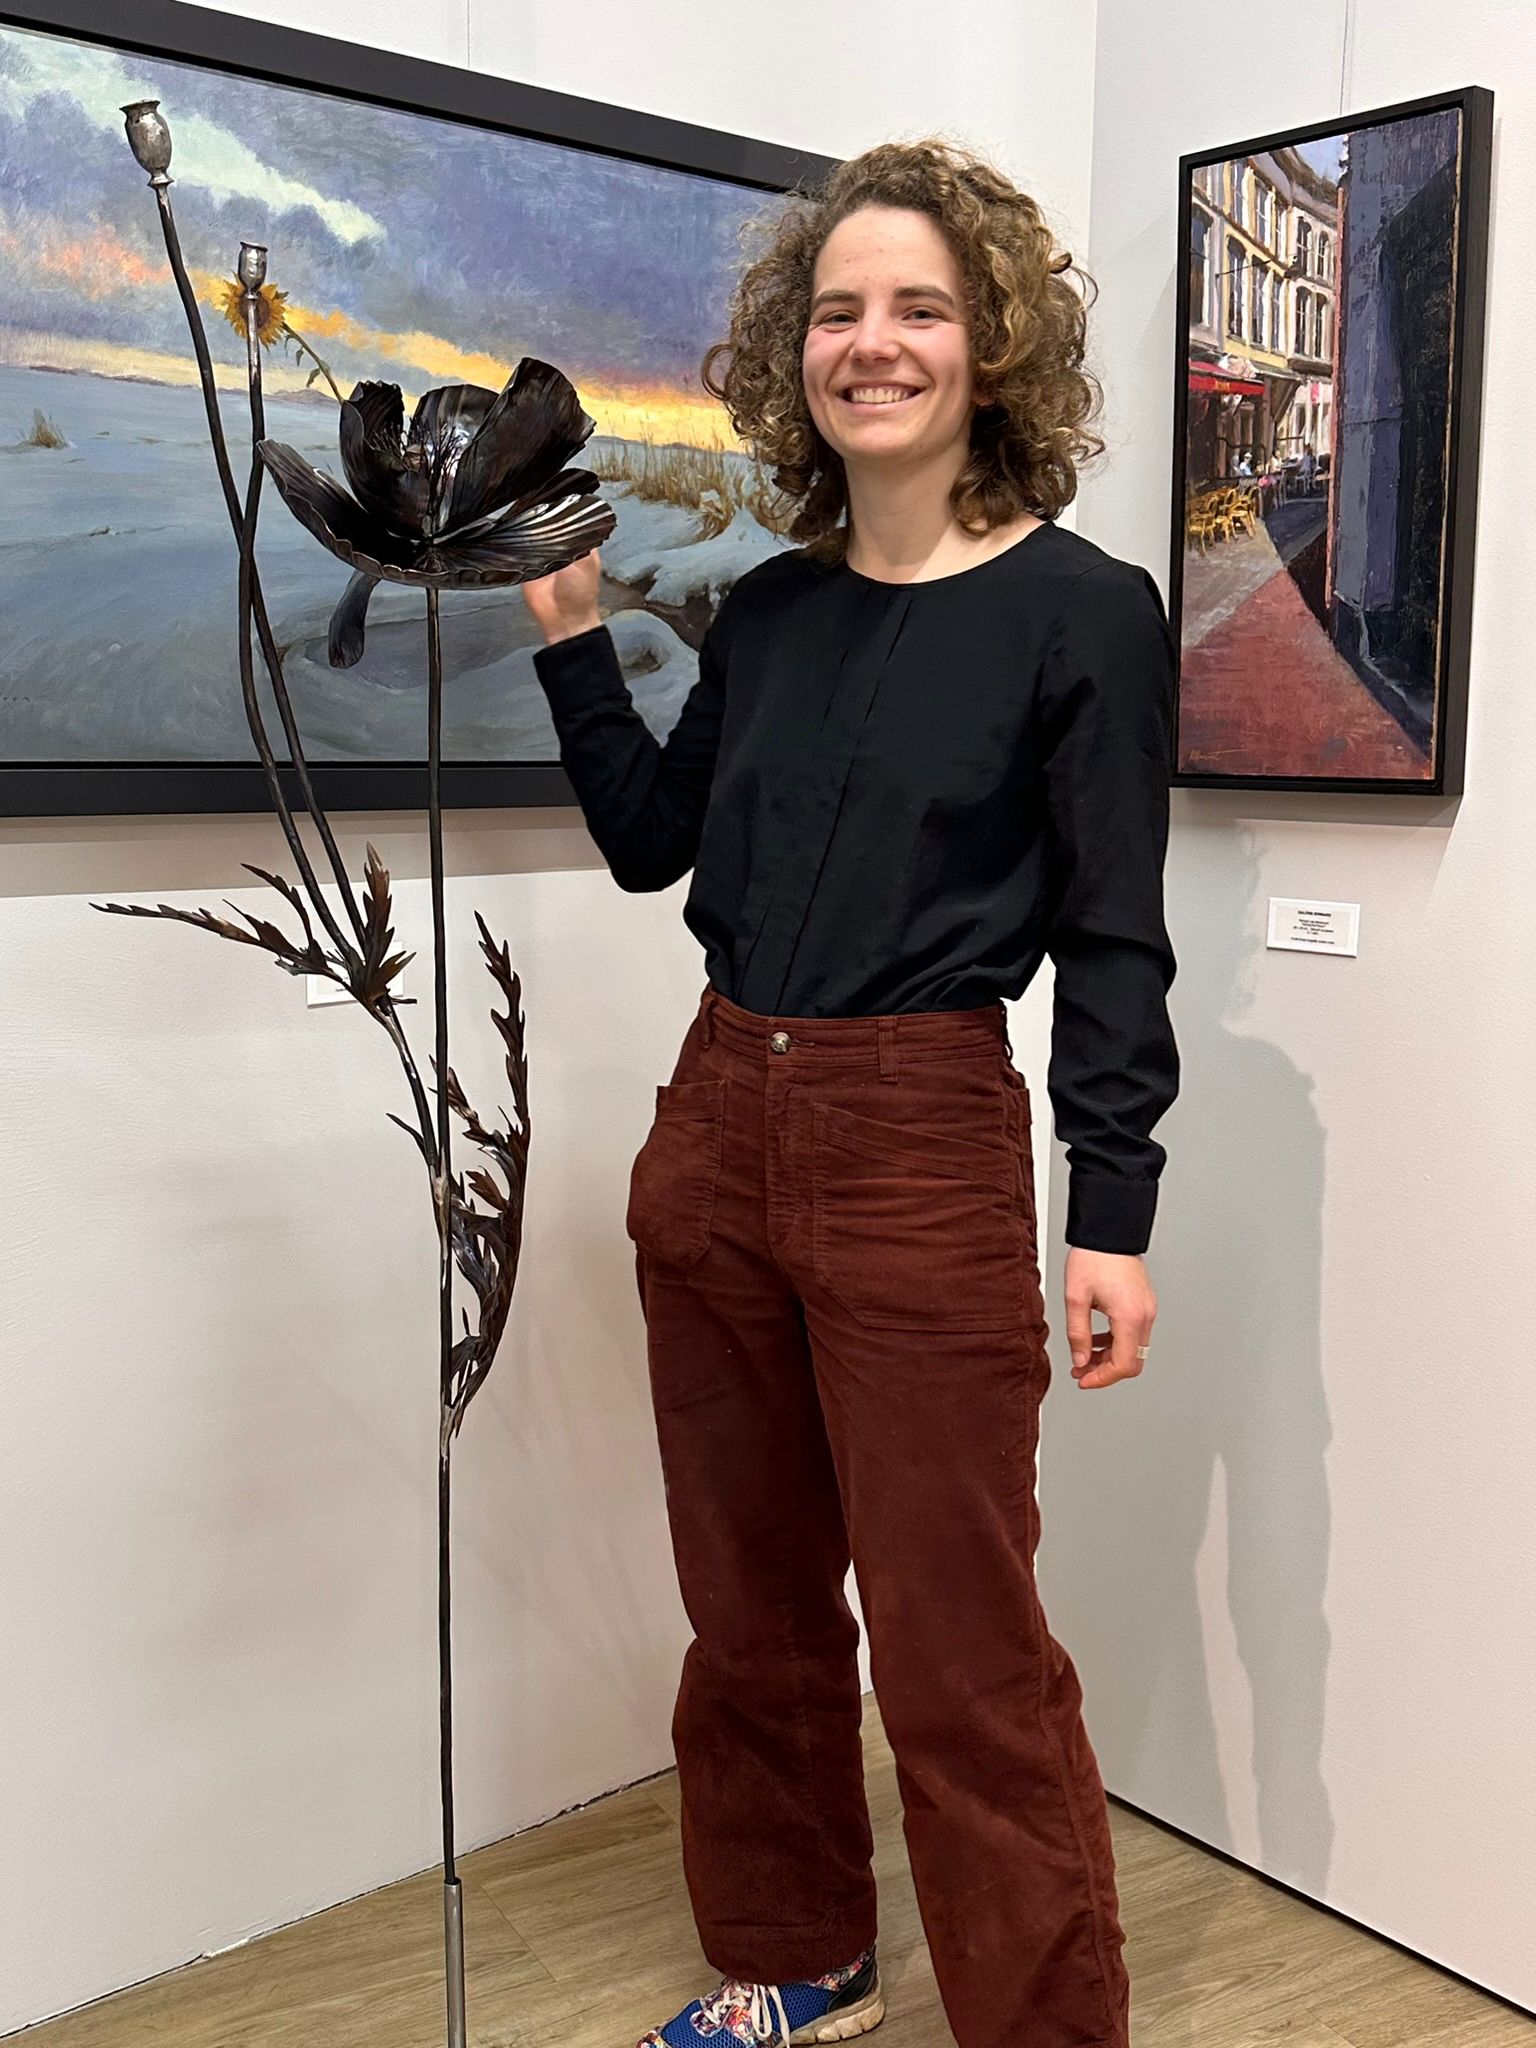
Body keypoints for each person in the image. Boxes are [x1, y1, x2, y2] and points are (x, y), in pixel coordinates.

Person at [522, 138, 1178, 2048]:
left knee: (966, 1661)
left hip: (918, 1140)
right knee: (749, 1623)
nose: (868, 344)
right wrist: (570, 642)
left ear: (992, 349)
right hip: (717, 1120)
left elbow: (1117, 935)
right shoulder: (777, 609)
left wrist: (1112, 1207)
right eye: (835, 311)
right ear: (790, 352)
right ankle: (801, 1955)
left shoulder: (1084, 609)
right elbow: (657, 847)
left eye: (918, 308)